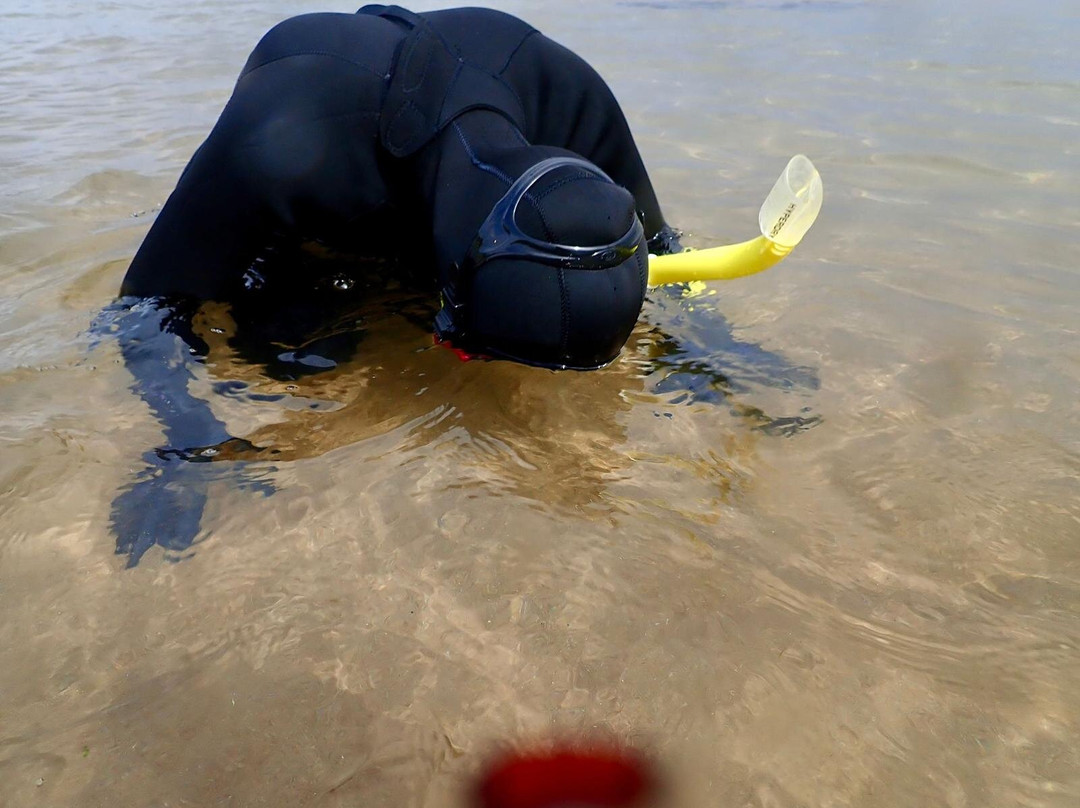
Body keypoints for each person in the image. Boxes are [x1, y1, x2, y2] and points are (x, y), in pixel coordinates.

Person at [121, 4, 678, 371]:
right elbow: (145, 308)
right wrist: (186, 442)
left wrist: (705, 359)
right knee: (298, 361)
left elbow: (662, 250)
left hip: (436, 156)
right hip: (332, 160)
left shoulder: (571, 99)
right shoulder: (276, 142)